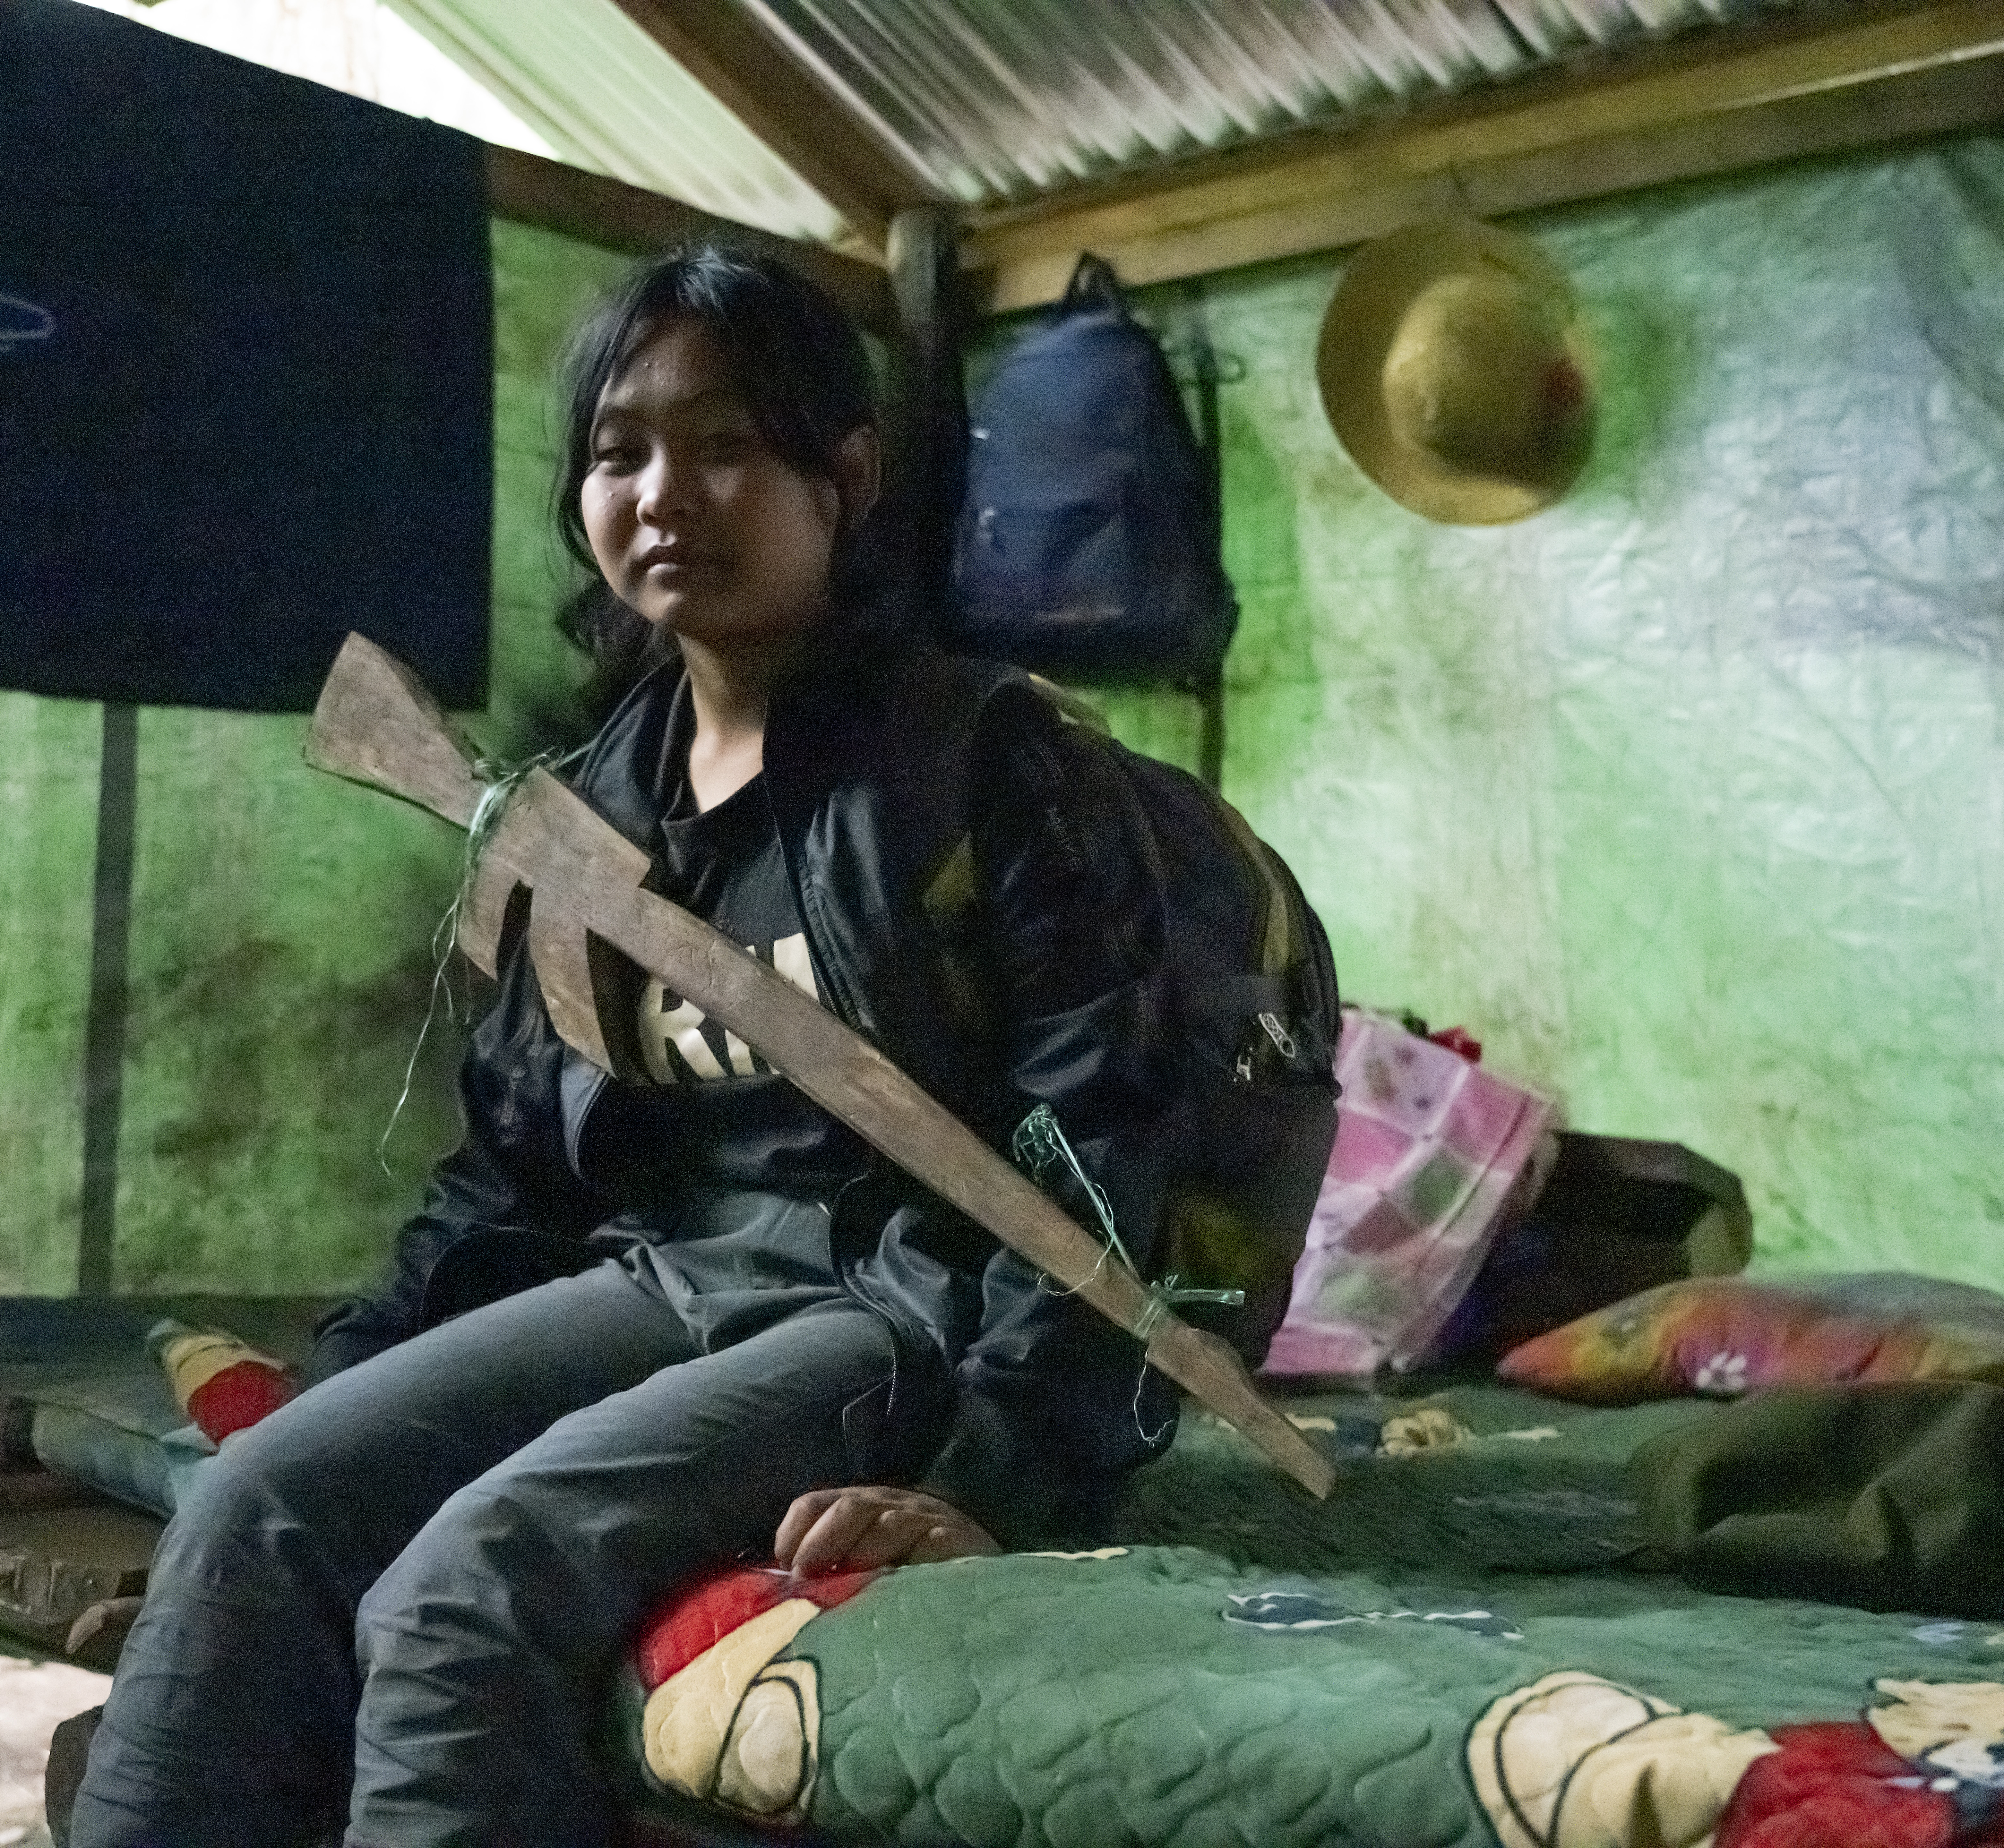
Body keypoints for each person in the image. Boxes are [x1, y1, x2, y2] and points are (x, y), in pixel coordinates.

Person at [70, 244, 1184, 1848]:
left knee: (470, 1584)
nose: (668, 491)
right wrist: (351, 1386)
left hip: (896, 1306)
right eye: (620, 451)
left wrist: (996, 1478)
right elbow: (517, 1158)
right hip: (670, 1280)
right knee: (258, 1509)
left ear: (845, 477)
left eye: (728, 445)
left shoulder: (987, 762)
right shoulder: (590, 805)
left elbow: (1102, 1137)